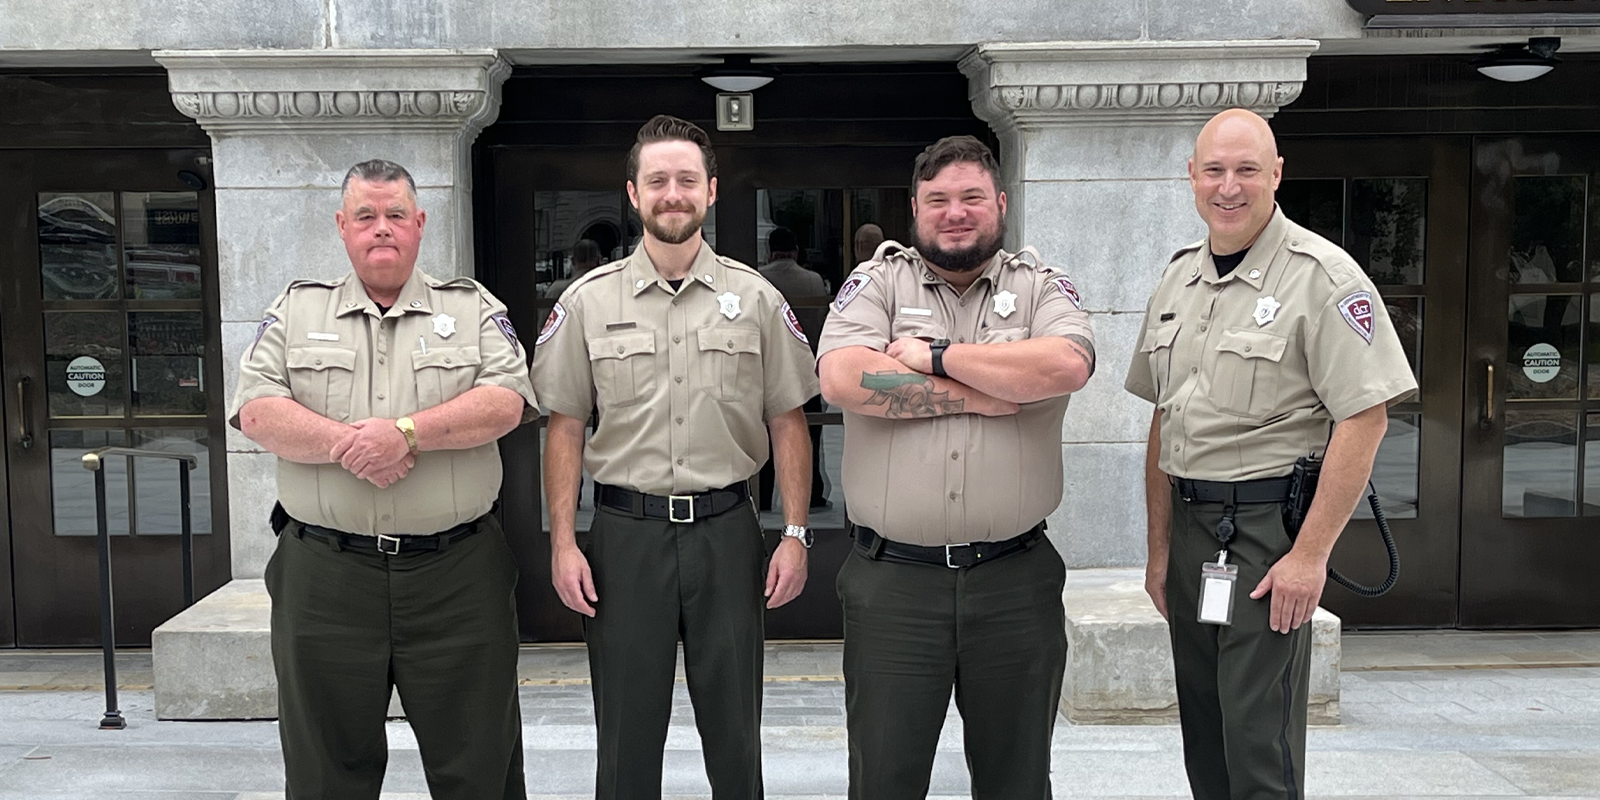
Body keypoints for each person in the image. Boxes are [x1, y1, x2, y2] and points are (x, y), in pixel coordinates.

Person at [1125, 109, 1417, 800]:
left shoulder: (1324, 278)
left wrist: (1310, 555)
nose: (1229, 186)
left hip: (1266, 537)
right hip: (1196, 532)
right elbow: (1167, 422)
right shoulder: (1178, 280)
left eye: (1247, 169)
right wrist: (1160, 551)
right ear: (1191, 177)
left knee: (1259, 746)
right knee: (1207, 733)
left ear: (1276, 174)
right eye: (1215, 170)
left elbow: (1365, 418)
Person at [532, 115, 820, 800]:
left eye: (686, 180)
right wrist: (565, 543)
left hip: (727, 533)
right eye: (657, 180)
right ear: (633, 194)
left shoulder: (756, 299)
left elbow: (788, 422)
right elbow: (565, 428)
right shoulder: (587, 304)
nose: (672, 192)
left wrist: (796, 535)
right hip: (626, 539)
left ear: (711, 191)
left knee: (735, 732)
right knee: (627, 735)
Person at [230, 159, 537, 800]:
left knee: (479, 764)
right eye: (366, 216)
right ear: (342, 227)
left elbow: (506, 401)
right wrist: (355, 444)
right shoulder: (295, 309)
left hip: (456, 575)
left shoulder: (473, 307)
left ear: (420, 224)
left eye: (396, 215)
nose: (382, 229)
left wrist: (406, 433)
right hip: (326, 576)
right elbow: (256, 409)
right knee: (323, 772)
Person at [817, 135, 1096, 800]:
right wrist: (980, 392)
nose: (955, 211)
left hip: (1013, 583)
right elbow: (845, 377)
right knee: (884, 778)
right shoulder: (878, 283)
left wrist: (933, 357)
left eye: (972, 197)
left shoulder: (1040, 287)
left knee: (1017, 780)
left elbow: (1065, 365)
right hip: (894, 586)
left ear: (1000, 203)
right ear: (915, 211)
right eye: (937, 200)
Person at [757, 226, 831, 511]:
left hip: (766, 373)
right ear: (796, 250)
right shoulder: (813, 281)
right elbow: (822, 323)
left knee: (765, 437)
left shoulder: (758, 279)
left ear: (769, 250)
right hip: (806, 369)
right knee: (809, 436)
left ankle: (763, 495)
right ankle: (812, 494)